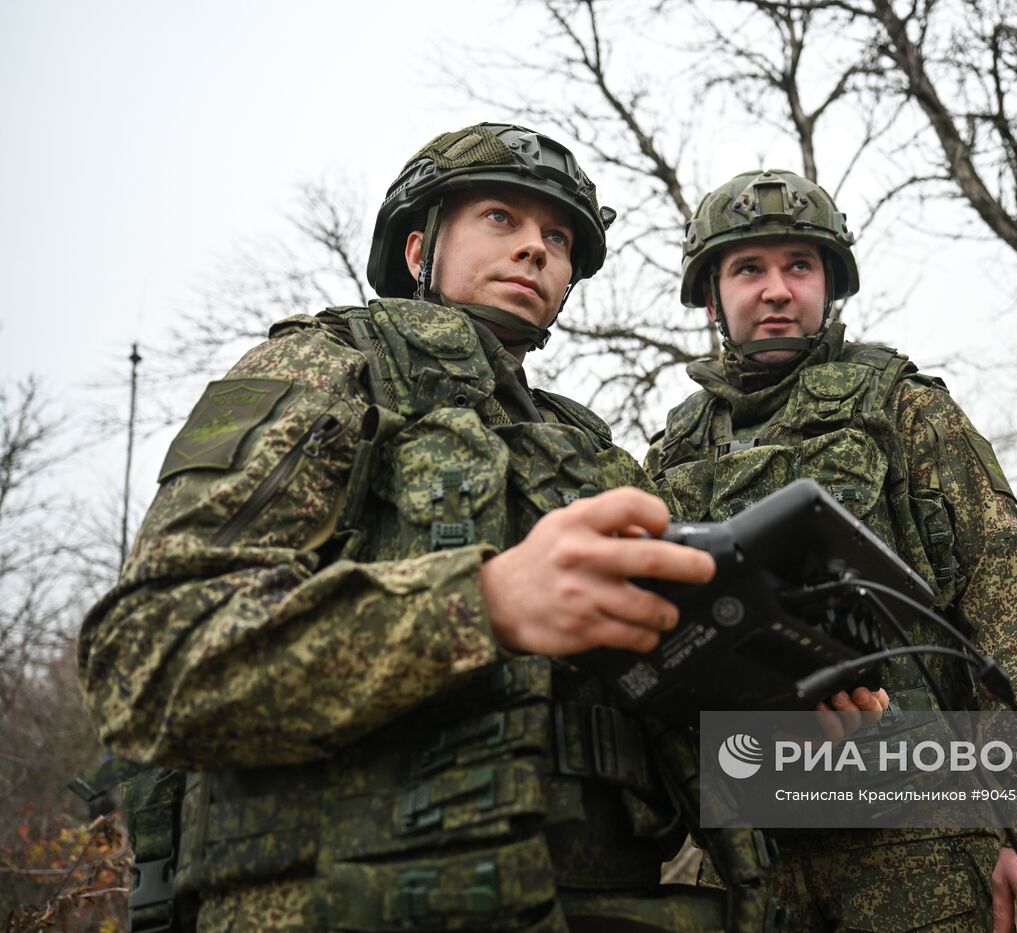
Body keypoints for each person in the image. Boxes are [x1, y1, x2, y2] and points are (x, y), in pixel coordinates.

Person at [78, 123, 783, 932]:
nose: (535, 249)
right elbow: (145, 656)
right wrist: (481, 602)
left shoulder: (595, 457)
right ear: (418, 251)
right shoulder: (320, 370)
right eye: (499, 219)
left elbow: (662, 699)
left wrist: (780, 698)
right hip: (349, 901)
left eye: (557, 237)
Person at [646, 169, 1017, 932]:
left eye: (799, 265)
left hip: (923, 843)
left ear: (830, 282)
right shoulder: (674, 452)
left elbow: (1011, 617)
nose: (777, 289)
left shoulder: (905, 408)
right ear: (714, 293)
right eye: (748, 268)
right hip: (761, 860)